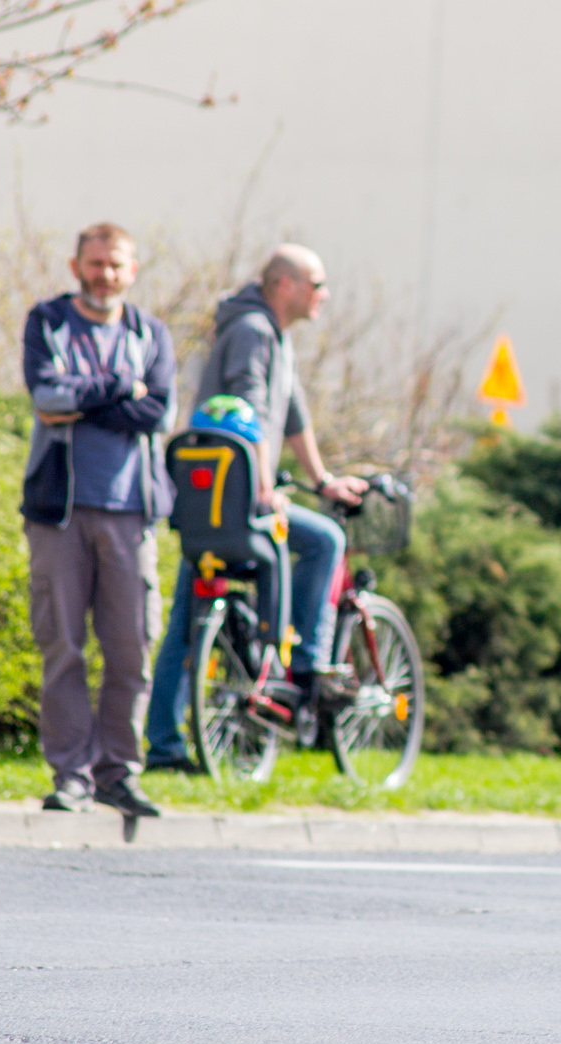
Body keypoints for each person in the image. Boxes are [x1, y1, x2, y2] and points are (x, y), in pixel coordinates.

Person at [143, 245, 367, 771]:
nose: (325, 295)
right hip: (240, 493)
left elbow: (291, 411)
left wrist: (323, 479)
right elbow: (250, 406)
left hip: (209, 496)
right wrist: (264, 483)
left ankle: (164, 743)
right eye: (318, 283)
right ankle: (305, 664)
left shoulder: (270, 333)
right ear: (284, 285)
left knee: (187, 617)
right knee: (326, 541)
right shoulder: (255, 331)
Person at [20, 222, 176, 817]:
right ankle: (72, 776)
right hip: (58, 511)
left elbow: (158, 410)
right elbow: (46, 397)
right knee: (62, 646)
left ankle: (119, 772)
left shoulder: (149, 333)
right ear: (75, 265)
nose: (104, 275)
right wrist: (118, 389)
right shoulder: (48, 323)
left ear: (132, 271)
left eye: (116, 265)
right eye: (95, 264)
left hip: (131, 512)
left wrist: (86, 399)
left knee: (132, 647)